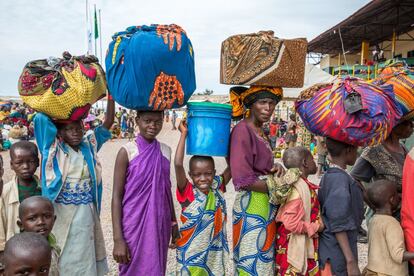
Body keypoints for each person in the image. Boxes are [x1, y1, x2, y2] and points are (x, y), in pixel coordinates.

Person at [33, 95, 114, 275]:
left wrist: (111, 96)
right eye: (69, 129)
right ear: (59, 133)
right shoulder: (54, 150)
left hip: (86, 213)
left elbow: (108, 122)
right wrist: (59, 103)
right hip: (61, 213)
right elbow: (40, 119)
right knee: (63, 255)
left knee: (85, 256)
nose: (76, 132)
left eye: (78, 128)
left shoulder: (89, 146)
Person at [112, 111, 178, 275]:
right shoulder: (126, 151)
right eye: (147, 121)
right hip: (133, 224)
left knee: (155, 267)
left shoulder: (166, 151)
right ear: (137, 120)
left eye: (157, 121)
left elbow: (166, 191)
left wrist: (174, 224)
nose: (153, 126)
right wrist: (118, 239)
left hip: (159, 221)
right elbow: (116, 196)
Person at [229, 85, 283, 275]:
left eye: (272, 103)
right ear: (251, 104)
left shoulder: (260, 130)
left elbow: (261, 167)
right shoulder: (242, 131)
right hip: (251, 206)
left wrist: (276, 169)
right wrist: (278, 186)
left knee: (263, 261)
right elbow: (242, 178)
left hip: (264, 205)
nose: (268, 108)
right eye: (262, 102)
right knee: (251, 260)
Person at [174, 120, 231, 275]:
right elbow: (178, 164)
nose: (203, 178)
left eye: (208, 173)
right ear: (190, 175)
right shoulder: (187, 191)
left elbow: (231, 166)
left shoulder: (216, 186)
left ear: (214, 173)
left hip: (214, 251)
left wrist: (224, 138)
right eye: (197, 175)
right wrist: (184, 134)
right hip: (191, 251)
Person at [351, 120, 414, 222]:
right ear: (392, 125)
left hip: (404, 213)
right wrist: (375, 206)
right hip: (386, 218)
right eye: (406, 123)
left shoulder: (403, 148)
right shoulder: (374, 150)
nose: (411, 126)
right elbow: (354, 179)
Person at [274, 147, 323, 275]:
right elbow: (291, 223)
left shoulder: (302, 185)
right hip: (292, 248)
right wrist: (315, 227)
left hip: (295, 243)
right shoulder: (297, 189)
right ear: (305, 163)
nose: (315, 162)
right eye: (312, 159)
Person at [318, 138, 364, 276]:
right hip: (337, 251)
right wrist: (350, 260)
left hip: (335, 248)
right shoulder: (339, 179)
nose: (357, 153)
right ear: (349, 150)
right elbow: (338, 221)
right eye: (356, 150)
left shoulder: (333, 175)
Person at [363, 180, 414, 275]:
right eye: (396, 193)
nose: (400, 196)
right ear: (391, 199)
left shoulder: (373, 220)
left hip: (373, 270)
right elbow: (398, 255)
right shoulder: (392, 223)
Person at [0, 141, 40, 257]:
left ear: (37, 163)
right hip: (16, 250)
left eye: (31, 161)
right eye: (19, 163)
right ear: (11, 165)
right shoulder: (5, 192)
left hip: (41, 244)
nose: (26, 167)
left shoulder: (44, 189)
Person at [17, 196, 60, 276]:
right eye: (32, 218)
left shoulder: (53, 243)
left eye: (47, 216)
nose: (41, 222)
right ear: (21, 224)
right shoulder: (18, 251)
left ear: (54, 220)